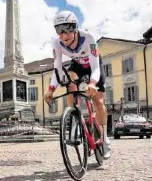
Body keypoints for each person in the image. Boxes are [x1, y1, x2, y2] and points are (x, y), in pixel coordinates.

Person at [44, 10, 111, 159]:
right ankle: (75, 120)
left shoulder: (88, 38)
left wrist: (92, 83)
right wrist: (51, 89)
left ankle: (105, 138)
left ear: (75, 27)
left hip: (93, 64)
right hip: (78, 65)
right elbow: (57, 69)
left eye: (67, 28)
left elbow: (95, 68)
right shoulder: (57, 43)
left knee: (98, 101)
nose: (63, 34)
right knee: (69, 81)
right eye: (58, 30)